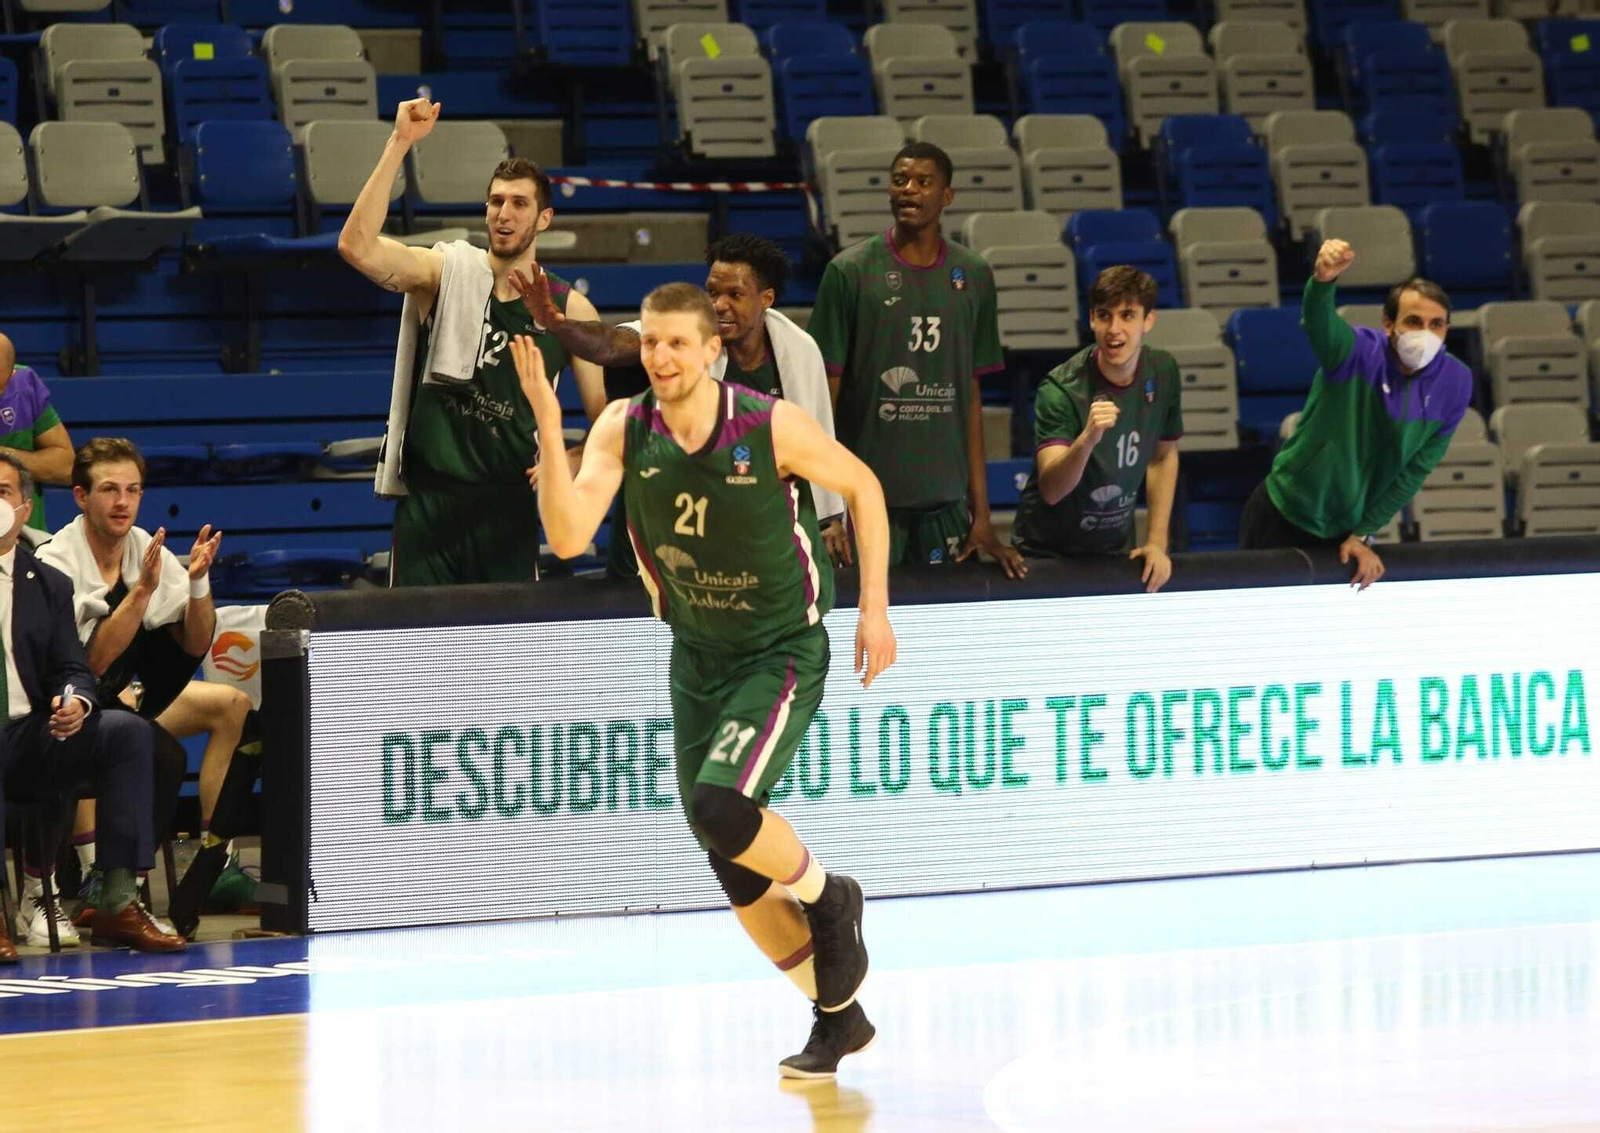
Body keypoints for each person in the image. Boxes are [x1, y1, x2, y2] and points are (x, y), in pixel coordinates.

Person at [512, 282, 898, 1078]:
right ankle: (838, 1017)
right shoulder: (624, 426)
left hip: (779, 648)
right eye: (648, 342)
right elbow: (567, 531)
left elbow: (865, 487)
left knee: (723, 806)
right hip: (696, 654)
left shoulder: (766, 422)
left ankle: (832, 898)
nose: (659, 357)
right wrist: (552, 427)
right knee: (727, 851)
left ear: (712, 350)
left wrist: (875, 609)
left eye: (676, 343)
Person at [338, 97, 606, 585]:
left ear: (543, 219)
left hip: (506, 509)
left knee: (500, 660)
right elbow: (355, 247)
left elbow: (608, 417)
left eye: (519, 203)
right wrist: (400, 142)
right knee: (417, 657)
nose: (504, 214)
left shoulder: (569, 308)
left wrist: (571, 456)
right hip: (429, 506)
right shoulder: (445, 274)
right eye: (496, 201)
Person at [511, 232, 852, 571]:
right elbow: (611, 344)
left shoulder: (798, 352)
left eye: (735, 294)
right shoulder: (680, 337)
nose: (718, 304)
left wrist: (828, 516)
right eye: (713, 292)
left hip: (750, 531)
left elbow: (820, 439)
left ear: (766, 298)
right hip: (662, 514)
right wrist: (558, 324)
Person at [36, 438, 248, 943]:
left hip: (119, 711)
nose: (123, 502)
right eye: (109, 489)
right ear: (80, 497)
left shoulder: (142, 549)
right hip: (57, 716)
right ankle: (99, 883)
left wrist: (197, 583)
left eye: (132, 490)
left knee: (164, 752)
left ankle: (117, 890)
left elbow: (197, 640)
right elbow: (89, 662)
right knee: (145, 743)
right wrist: (143, 594)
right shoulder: (55, 562)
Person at [805, 142, 1025, 578]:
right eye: (900, 180)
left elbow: (971, 398)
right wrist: (827, 510)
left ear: (947, 196)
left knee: (938, 642)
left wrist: (982, 516)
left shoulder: (975, 275)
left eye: (924, 182)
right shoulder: (849, 271)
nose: (908, 190)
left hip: (943, 509)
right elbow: (821, 402)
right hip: (863, 508)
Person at [0, 452, 184, 960]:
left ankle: (118, 900)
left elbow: (72, 666)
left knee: (126, 731)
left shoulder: (48, 585)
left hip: (30, 730)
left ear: (23, 507)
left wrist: (76, 700)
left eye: (4, 492)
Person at [1238, 240, 1472, 588]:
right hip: (1282, 512)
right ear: (1388, 324)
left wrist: (1363, 534)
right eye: (1413, 321)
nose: (1425, 334)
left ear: (1446, 331)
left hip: (1345, 531)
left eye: (1436, 324)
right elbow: (1318, 323)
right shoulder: (1355, 352)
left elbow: (1414, 472)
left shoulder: (1456, 382)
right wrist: (1322, 282)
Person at [1011, 266, 1183, 592]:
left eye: (1127, 316)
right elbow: (1052, 489)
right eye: (1104, 315)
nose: (1114, 329)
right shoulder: (1060, 388)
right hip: (1046, 554)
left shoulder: (1163, 372)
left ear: (1148, 320)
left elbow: (1163, 457)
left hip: (1113, 550)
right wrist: (1088, 439)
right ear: (1091, 319)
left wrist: (1157, 543)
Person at [0, 332, 74, 532]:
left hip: (27, 546)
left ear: (11, 375)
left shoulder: (25, 388)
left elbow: (66, 466)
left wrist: (5, 457)